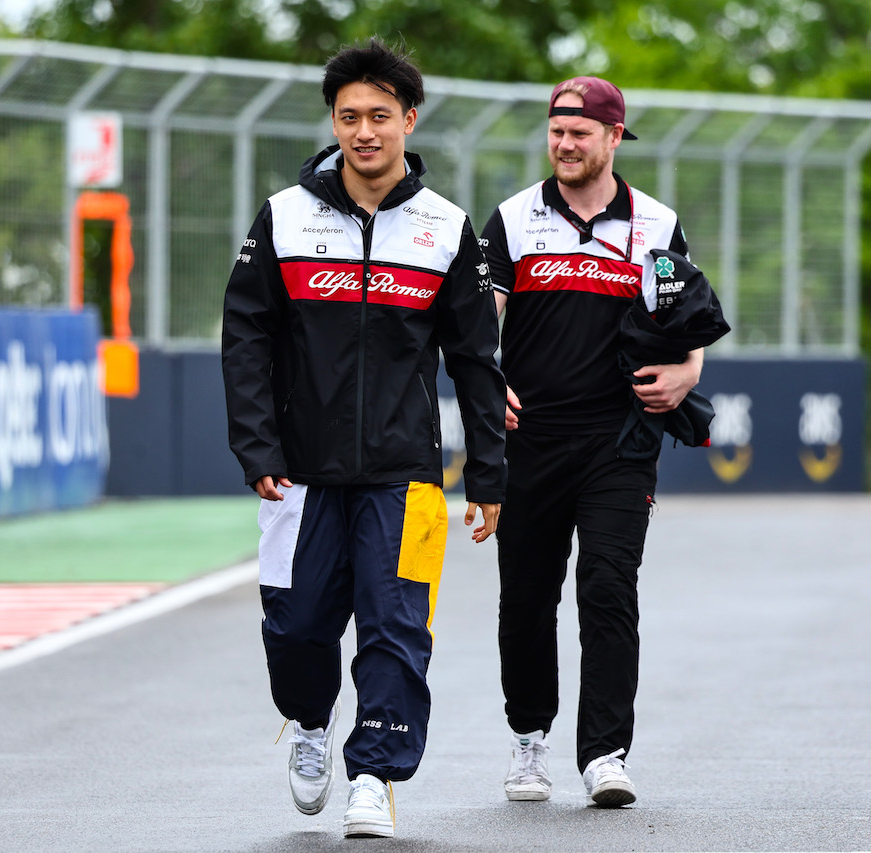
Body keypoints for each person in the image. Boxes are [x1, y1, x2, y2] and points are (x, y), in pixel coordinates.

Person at [221, 37, 507, 840]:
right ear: (333, 122)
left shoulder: (446, 228)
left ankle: (375, 775)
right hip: (300, 475)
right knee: (300, 624)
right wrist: (258, 448)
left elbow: (477, 362)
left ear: (409, 120)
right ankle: (310, 723)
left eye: (380, 115)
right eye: (349, 116)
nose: (364, 132)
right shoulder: (284, 216)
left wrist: (489, 474)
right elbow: (244, 337)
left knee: (395, 625)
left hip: (406, 474)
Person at [478, 76, 705, 808]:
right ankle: (528, 739)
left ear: (614, 138)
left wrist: (685, 372)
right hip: (530, 440)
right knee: (527, 597)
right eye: (556, 132)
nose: (565, 144)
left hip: (619, 443)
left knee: (609, 588)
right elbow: (481, 324)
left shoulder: (656, 225)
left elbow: (687, 323)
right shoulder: (513, 220)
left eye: (580, 133)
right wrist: (486, 381)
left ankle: (606, 752)